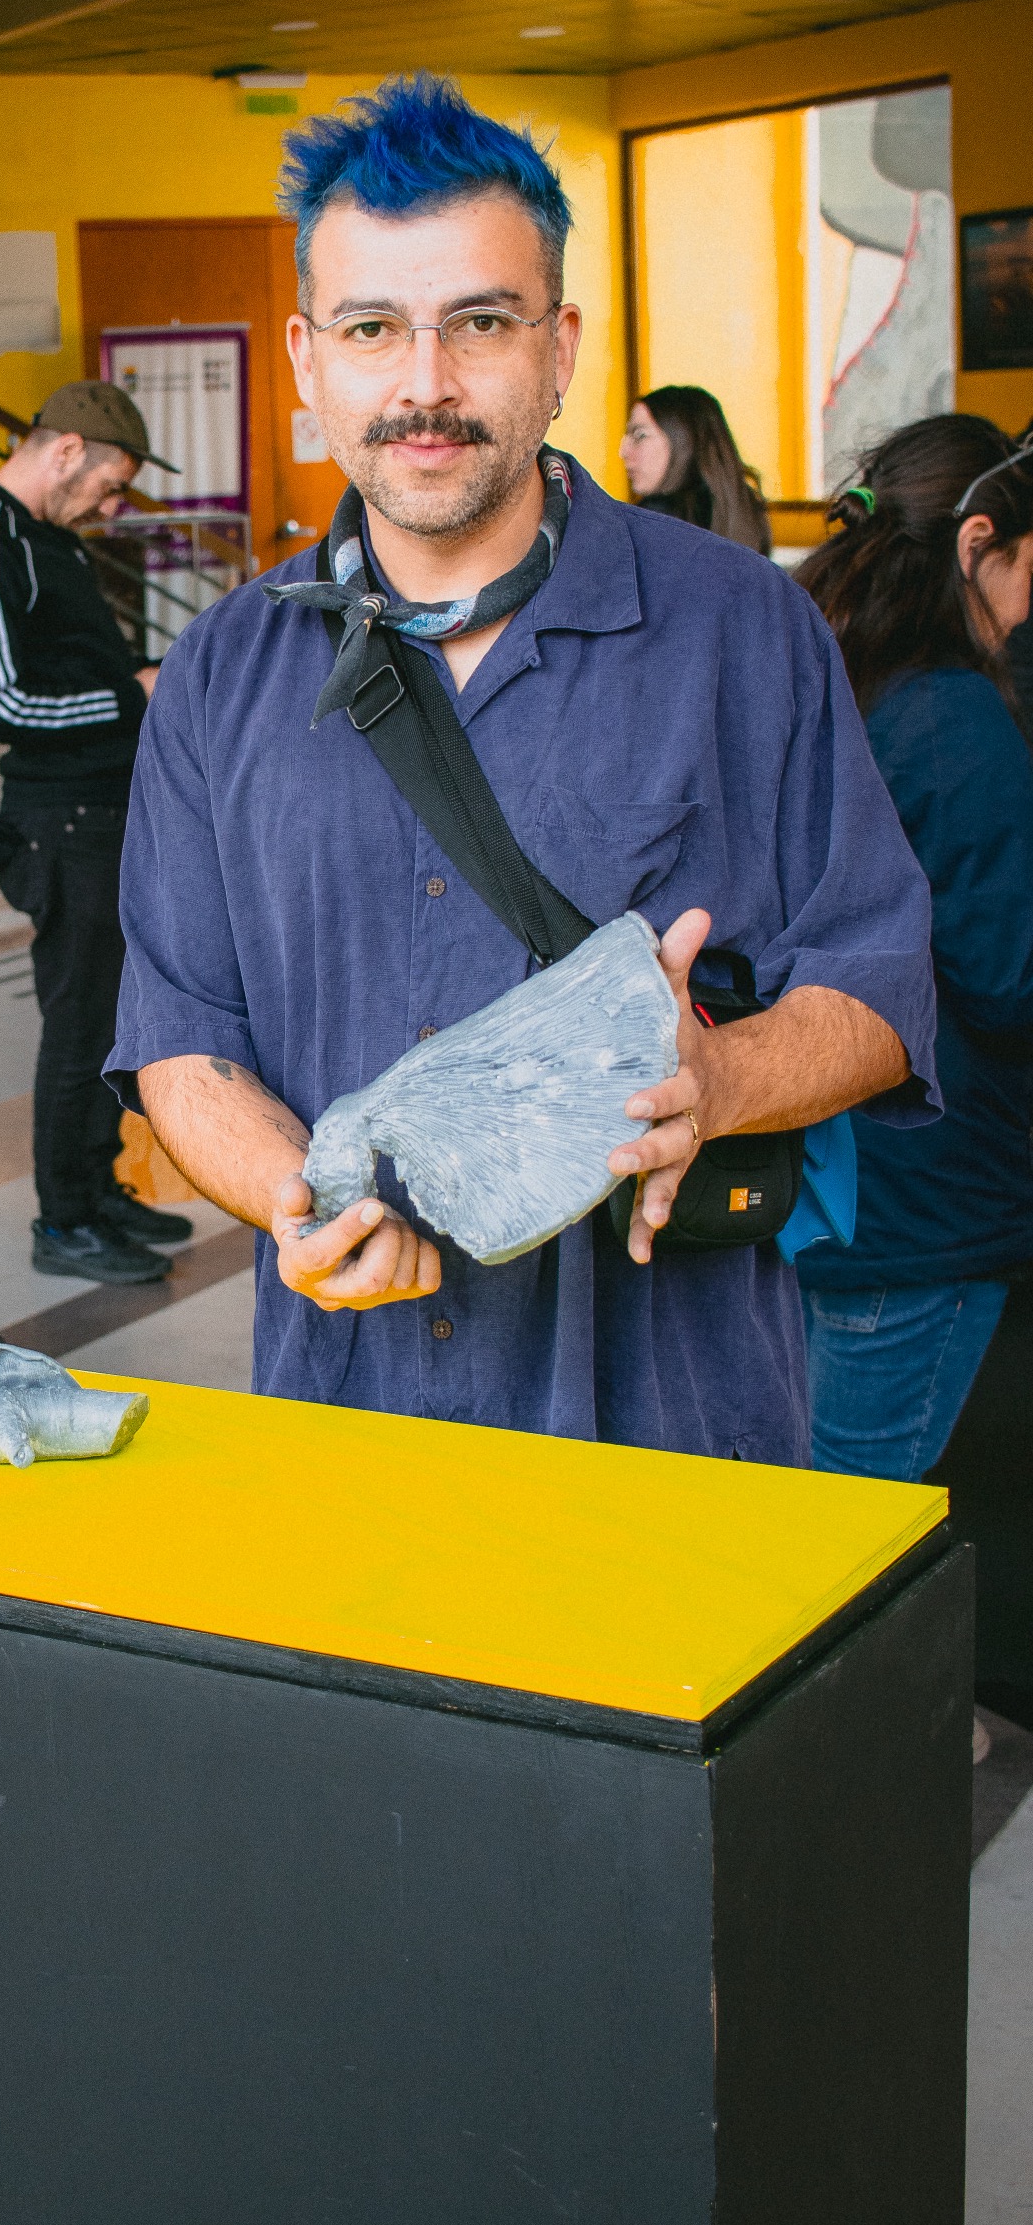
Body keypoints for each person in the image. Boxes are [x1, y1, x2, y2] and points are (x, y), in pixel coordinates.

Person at [110, 73, 938, 1462]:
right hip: (348, 1421)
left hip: (675, 1424)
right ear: (309, 360)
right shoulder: (221, 673)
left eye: (480, 323)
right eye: (372, 328)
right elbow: (181, 1041)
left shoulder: (742, 631)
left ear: (559, 348)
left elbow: (879, 983)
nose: (423, 384)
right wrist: (299, 1203)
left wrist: (722, 1079)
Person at [794, 416, 1033, 1477]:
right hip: (921, 1196)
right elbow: (1008, 980)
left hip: (819, 1184)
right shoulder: (950, 716)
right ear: (979, 543)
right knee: (843, 1520)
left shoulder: (829, 679)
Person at [0, 379, 194, 1289]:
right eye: (111, 487)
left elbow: (82, 667)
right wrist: (134, 692)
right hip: (61, 820)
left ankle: (98, 1187)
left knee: (115, 1022)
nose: (112, 508)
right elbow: (0, 703)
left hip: (110, 812)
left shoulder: (54, 540)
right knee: (79, 1028)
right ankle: (65, 1220)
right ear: (67, 451)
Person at [618, 383, 772, 554]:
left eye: (640, 435)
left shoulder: (653, 521)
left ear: (683, 441)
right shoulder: (745, 513)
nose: (623, 452)